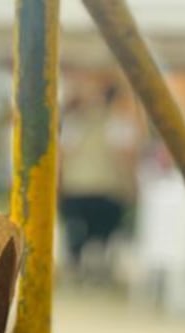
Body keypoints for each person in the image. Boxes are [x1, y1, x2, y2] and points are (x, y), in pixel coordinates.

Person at [58, 86, 137, 277]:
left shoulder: (75, 122)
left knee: (77, 232)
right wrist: (131, 185)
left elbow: (63, 155)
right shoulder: (117, 124)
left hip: (78, 187)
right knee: (102, 234)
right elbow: (125, 157)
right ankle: (96, 268)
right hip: (106, 188)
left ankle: (77, 268)